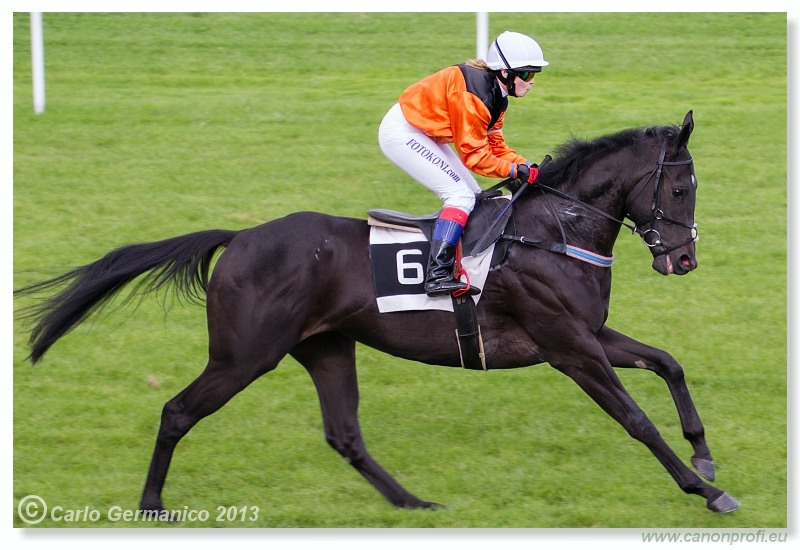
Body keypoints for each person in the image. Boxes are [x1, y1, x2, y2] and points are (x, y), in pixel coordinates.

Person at [378, 31, 548, 297]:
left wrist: (526, 166)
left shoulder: (498, 95)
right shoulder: (475, 96)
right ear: (504, 72)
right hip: (403, 132)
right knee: (459, 197)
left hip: (425, 131)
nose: (532, 82)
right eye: (526, 74)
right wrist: (515, 171)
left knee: (475, 196)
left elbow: (496, 147)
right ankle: (436, 275)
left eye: (535, 74)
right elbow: (475, 158)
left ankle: (463, 262)